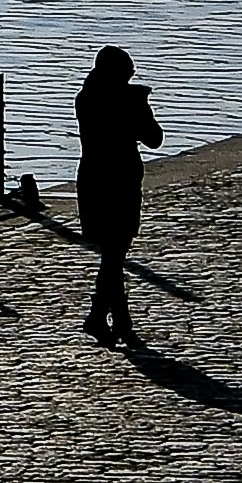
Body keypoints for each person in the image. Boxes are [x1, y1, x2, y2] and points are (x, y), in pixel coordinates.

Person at [74, 44, 161, 345]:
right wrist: (139, 105)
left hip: (93, 180)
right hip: (118, 181)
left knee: (113, 253)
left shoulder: (86, 98)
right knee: (115, 251)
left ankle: (104, 316)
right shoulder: (126, 103)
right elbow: (154, 138)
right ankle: (111, 317)